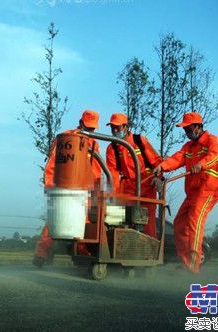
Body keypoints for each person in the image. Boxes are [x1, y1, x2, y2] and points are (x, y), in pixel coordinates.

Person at [153, 111, 218, 273]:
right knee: (178, 224)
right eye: (185, 130)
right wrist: (162, 167)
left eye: (189, 129)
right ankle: (186, 263)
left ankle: (193, 264)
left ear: (199, 127)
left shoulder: (213, 141)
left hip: (208, 189)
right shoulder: (188, 147)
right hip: (192, 193)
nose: (187, 132)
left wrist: (202, 164)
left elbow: (215, 155)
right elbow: (177, 159)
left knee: (195, 220)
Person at [33, 110, 101, 267]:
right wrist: (50, 186)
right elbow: (52, 164)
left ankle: (82, 255)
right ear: (80, 122)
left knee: (84, 223)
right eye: (87, 127)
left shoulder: (94, 144)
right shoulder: (66, 138)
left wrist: (96, 192)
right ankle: (41, 253)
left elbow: (96, 170)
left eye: (92, 129)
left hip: (82, 190)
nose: (89, 131)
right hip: (62, 187)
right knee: (54, 221)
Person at [105, 113, 162, 238]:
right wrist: (113, 196)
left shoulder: (139, 140)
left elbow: (156, 161)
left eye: (117, 127)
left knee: (148, 221)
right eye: (112, 127)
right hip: (127, 188)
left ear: (125, 127)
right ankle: (119, 249)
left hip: (147, 185)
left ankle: (150, 252)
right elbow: (112, 174)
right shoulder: (112, 148)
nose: (114, 130)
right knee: (118, 219)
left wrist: (159, 178)